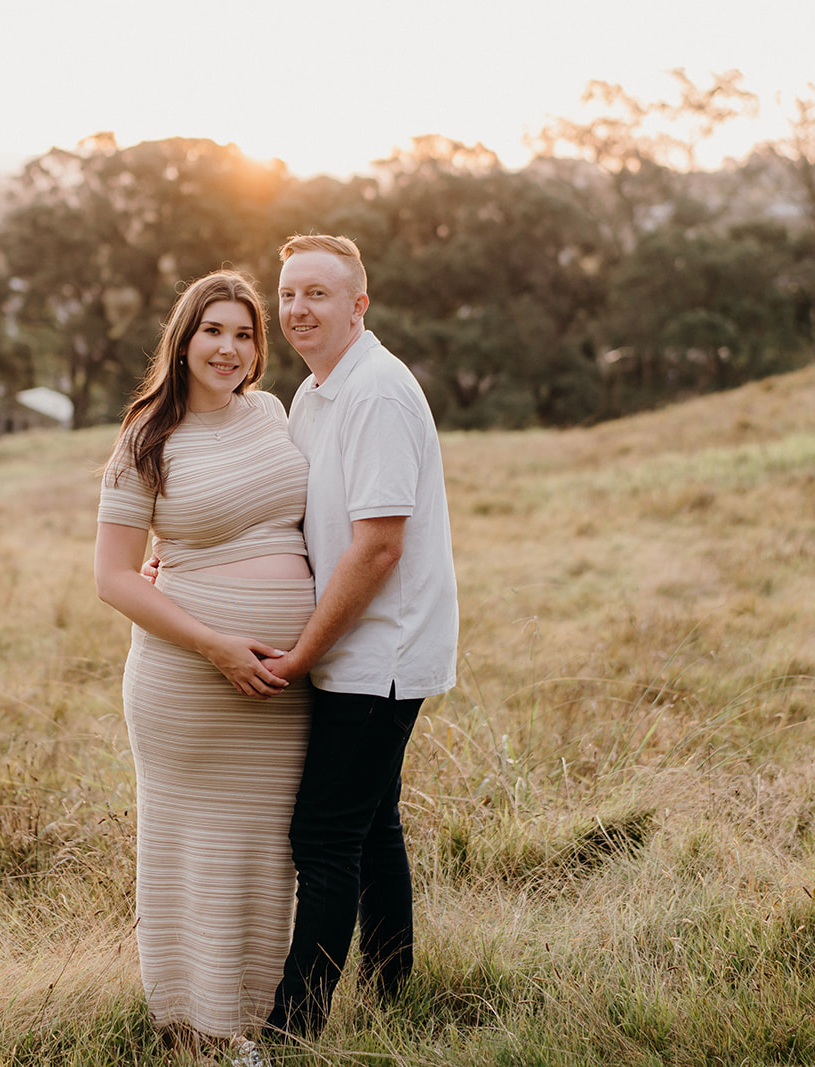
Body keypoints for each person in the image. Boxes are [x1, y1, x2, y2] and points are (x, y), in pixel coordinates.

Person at [93, 269, 313, 1048]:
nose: (228, 347)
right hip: (187, 685)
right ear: (183, 339)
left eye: (244, 333)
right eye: (212, 331)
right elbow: (113, 576)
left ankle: (253, 1024)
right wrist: (216, 642)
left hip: (281, 689)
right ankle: (190, 1025)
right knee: (192, 846)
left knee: (264, 852)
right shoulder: (145, 439)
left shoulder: (275, 413)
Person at [260, 234, 459, 1037]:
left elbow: (379, 544)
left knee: (324, 834)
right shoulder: (317, 390)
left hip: (381, 656)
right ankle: (395, 996)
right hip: (354, 651)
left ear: (358, 305)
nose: (298, 309)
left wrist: (303, 653)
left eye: (317, 293)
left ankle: (288, 1035)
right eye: (289, 294)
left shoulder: (375, 391)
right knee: (373, 824)